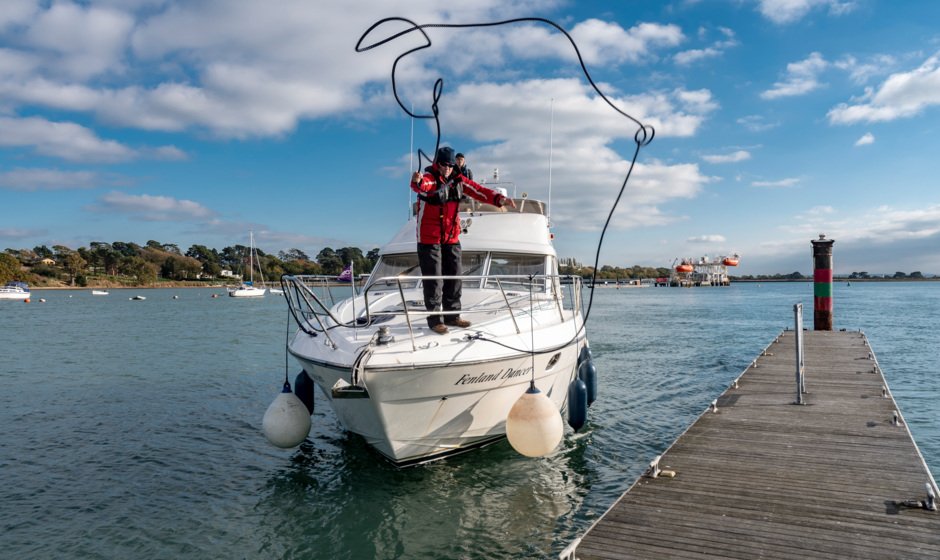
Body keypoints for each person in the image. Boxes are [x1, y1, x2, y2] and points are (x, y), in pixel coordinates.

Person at [411, 146, 515, 334]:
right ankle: (435, 320)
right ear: (437, 163)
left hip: (451, 236)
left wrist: (500, 199)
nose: (448, 169)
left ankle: (453, 316)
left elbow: (480, 190)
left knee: (455, 276)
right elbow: (422, 186)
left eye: (451, 165)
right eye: (444, 165)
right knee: (433, 279)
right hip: (429, 237)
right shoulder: (430, 179)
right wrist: (417, 182)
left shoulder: (459, 181)